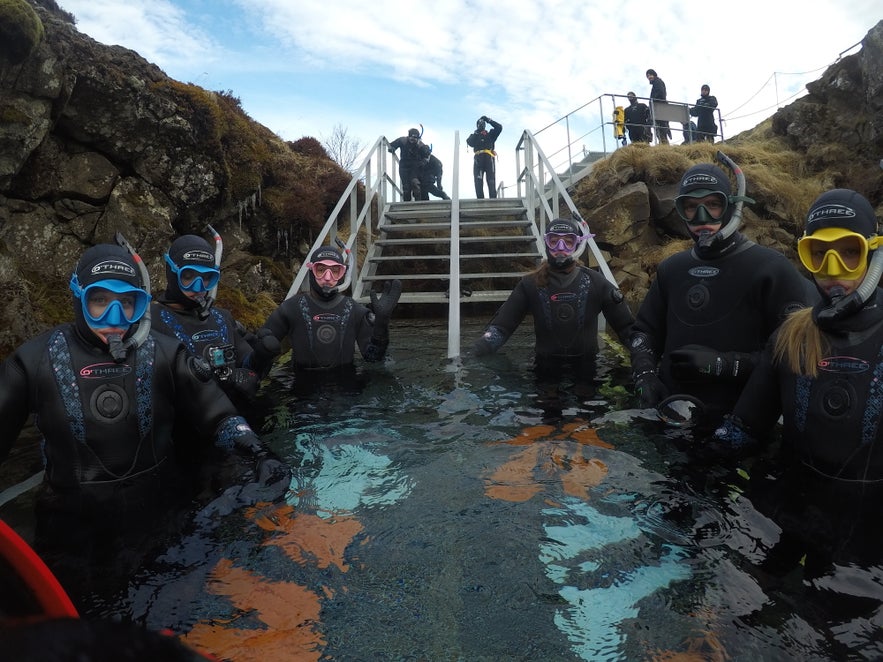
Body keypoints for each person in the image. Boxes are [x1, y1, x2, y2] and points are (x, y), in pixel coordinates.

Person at [0, 239, 287, 607]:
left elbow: (219, 415)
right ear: (77, 296)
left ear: (140, 303)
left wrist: (260, 452)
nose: (115, 319)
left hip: (161, 516)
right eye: (100, 301)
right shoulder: (33, 361)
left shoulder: (166, 353)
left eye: (127, 303)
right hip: (71, 529)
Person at [711, 188, 883, 582]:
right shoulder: (792, 335)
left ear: (874, 253)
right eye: (819, 254)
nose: (834, 269)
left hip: (873, 533)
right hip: (793, 512)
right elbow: (742, 430)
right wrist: (693, 468)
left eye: (849, 251)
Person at [629, 159, 815, 431]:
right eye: (692, 207)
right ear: (681, 211)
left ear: (731, 207)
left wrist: (724, 365)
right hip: (672, 415)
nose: (702, 218)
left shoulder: (770, 269)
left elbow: (796, 353)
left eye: (713, 205)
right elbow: (644, 332)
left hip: (741, 423)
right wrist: (645, 375)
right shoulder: (672, 269)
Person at [471, 217, 635, 374]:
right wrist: (473, 354)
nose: (561, 248)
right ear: (546, 244)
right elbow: (500, 329)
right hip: (544, 371)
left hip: (588, 371)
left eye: (568, 242)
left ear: (577, 245)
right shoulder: (529, 284)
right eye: (554, 241)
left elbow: (627, 330)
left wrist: (644, 366)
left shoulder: (596, 282)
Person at [151, 232, 276, 410]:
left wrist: (261, 356)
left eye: (206, 278)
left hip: (234, 425)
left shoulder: (220, 317)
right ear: (172, 272)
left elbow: (248, 365)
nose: (198, 287)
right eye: (188, 276)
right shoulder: (149, 322)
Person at [254, 245, 402, 373]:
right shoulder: (291, 308)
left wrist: (381, 327)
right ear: (311, 270)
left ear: (342, 274)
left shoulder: (354, 310)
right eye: (321, 270)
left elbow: (373, 358)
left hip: (347, 393)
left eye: (335, 271)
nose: (327, 277)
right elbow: (258, 349)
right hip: (303, 391)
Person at [465, 115, 502, 198]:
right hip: (478, 159)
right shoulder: (474, 135)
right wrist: (477, 131)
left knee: (491, 181)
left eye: (483, 123)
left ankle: (493, 201)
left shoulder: (491, 135)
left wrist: (488, 120)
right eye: (479, 124)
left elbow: (499, 127)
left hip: (489, 159)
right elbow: (469, 142)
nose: (481, 125)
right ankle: (480, 201)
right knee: (478, 182)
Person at [387, 128, 425, 201]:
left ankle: (418, 203)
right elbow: (392, 145)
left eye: (415, 138)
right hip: (404, 166)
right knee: (406, 187)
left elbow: (426, 156)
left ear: (418, 138)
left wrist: (422, 162)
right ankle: (407, 205)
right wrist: (392, 148)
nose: (412, 139)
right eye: (411, 137)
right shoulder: (403, 140)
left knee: (415, 184)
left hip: (415, 167)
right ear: (408, 136)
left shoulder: (420, 145)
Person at [646, 69, 671, 144]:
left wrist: (653, 102)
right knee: (660, 129)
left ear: (654, 75)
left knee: (661, 129)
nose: (649, 77)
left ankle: (663, 145)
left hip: (659, 109)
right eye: (648, 76)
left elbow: (661, 94)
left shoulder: (658, 82)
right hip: (659, 108)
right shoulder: (657, 83)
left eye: (650, 75)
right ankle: (663, 144)